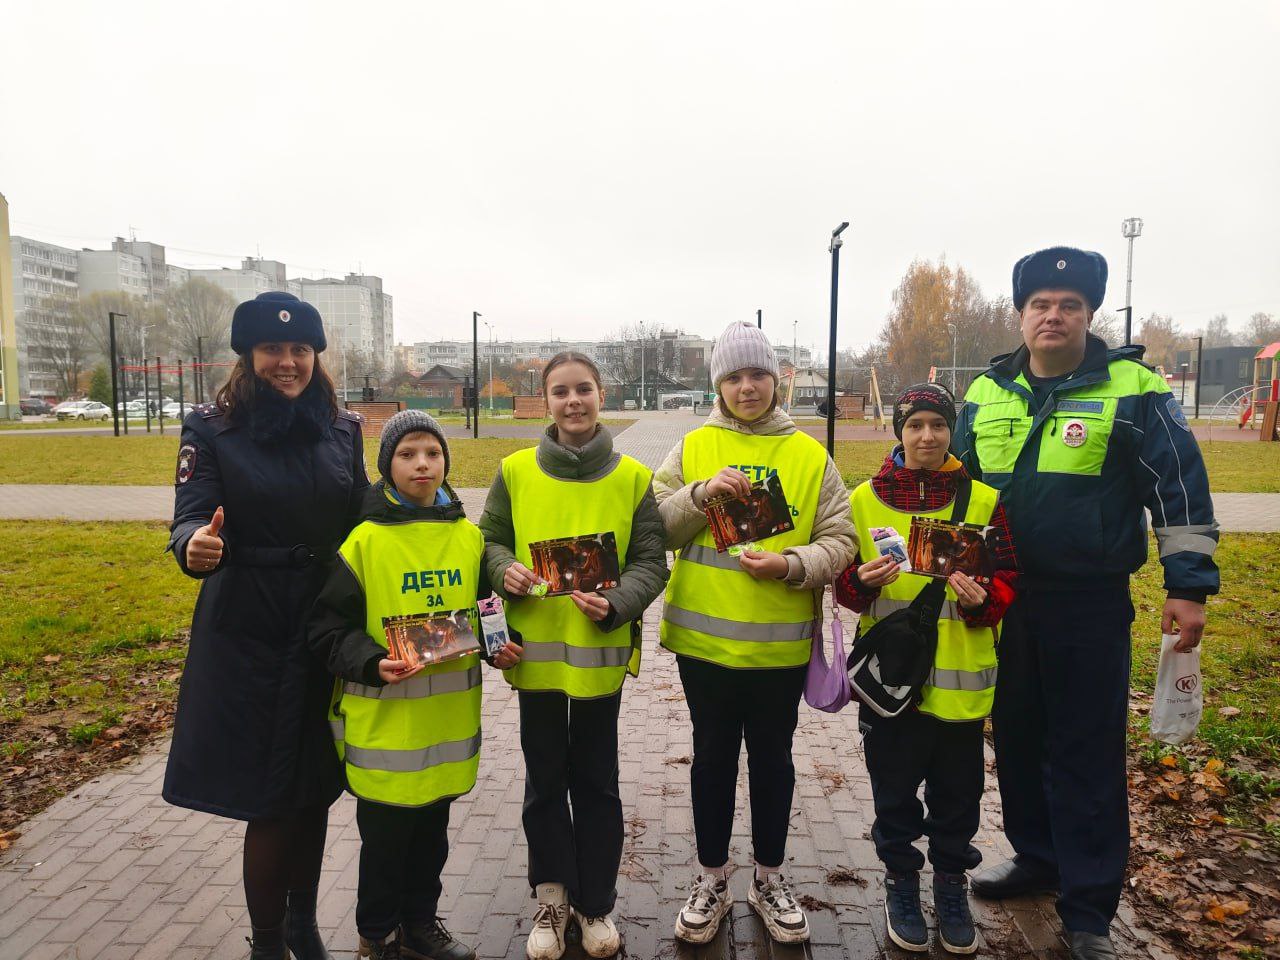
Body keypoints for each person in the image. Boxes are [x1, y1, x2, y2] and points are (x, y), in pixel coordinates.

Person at [953, 247, 1220, 960]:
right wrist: (953, 571)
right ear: (1021, 313)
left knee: (1086, 749)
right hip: (1004, 602)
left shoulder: (1134, 387)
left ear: (1089, 315)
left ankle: (1090, 908)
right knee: (1016, 736)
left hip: (1089, 602)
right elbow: (958, 489)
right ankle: (1037, 857)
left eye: (1069, 305)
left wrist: (1188, 585)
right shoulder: (987, 391)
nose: (1054, 314)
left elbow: (1180, 487)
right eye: (1040, 303)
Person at [164, 291, 368, 960]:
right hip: (249, 627)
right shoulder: (212, 427)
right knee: (271, 797)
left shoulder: (342, 426)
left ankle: (305, 928)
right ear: (248, 357)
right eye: (272, 349)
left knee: (311, 789)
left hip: (321, 626)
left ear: (316, 357)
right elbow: (191, 514)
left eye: (300, 350)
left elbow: (364, 515)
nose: (287, 362)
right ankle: (268, 942)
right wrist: (195, 544)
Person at [654, 322, 856, 947]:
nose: (747, 387)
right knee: (712, 760)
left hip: (777, 648)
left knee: (773, 762)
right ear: (718, 383)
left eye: (758, 375)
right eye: (734, 377)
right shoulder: (692, 447)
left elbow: (843, 540)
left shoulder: (809, 456)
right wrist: (698, 494)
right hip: (704, 646)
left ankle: (769, 878)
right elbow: (654, 526)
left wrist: (793, 566)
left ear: (777, 380)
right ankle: (711, 877)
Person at [308, 411, 522, 960]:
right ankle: (376, 935)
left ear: (446, 461)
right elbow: (327, 629)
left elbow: (484, 611)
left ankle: (421, 926)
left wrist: (502, 644)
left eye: (431, 452)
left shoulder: (469, 537)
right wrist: (370, 661)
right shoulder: (363, 543)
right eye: (407, 454)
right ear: (385, 468)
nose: (422, 464)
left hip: (445, 730)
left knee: (431, 840)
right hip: (384, 732)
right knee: (384, 845)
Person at [479, 352, 668, 960]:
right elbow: (489, 539)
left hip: (598, 658)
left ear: (601, 392)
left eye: (583, 389)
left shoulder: (634, 478)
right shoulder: (513, 470)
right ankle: (552, 894)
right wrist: (499, 568)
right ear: (545, 400)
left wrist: (618, 605)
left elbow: (649, 564)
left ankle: (595, 903)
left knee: (597, 785)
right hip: (533, 659)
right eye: (560, 392)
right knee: (544, 783)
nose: (573, 401)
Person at [835, 383, 1018, 954]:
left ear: (952, 431)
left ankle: (950, 883)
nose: (927, 436)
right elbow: (844, 586)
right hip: (891, 687)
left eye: (938, 425)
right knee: (893, 794)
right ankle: (901, 884)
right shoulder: (864, 500)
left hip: (960, 686)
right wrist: (858, 583)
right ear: (899, 431)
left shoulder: (984, 501)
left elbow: (1009, 580)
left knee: (958, 797)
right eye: (915, 425)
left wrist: (978, 602)